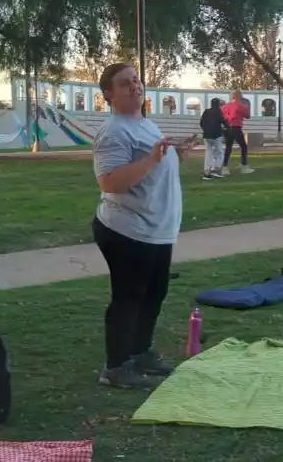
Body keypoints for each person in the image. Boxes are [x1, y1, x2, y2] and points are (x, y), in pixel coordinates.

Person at [90, 62, 199, 390]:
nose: (135, 86)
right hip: (127, 229)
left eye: (136, 80)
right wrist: (152, 159)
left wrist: (174, 153)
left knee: (154, 294)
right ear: (109, 94)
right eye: (125, 84)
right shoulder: (113, 131)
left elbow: (153, 163)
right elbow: (109, 182)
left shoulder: (145, 123)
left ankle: (139, 353)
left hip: (156, 230)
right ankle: (116, 367)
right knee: (129, 297)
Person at [221, 90, 254, 175]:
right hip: (236, 127)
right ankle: (244, 166)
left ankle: (225, 168)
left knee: (228, 148)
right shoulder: (239, 105)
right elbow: (248, 116)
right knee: (243, 147)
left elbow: (222, 117)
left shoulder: (225, 106)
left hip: (226, 128)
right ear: (239, 96)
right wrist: (247, 106)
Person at [199, 98, 227, 180]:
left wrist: (205, 130)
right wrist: (226, 127)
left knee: (208, 152)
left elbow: (201, 123)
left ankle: (207, 172)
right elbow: (223, 121)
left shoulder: (206, 111)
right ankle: (215, 169)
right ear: (218, 104)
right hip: (216, 135)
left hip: (206, 135)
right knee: (220, 152)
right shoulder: (219, 112)